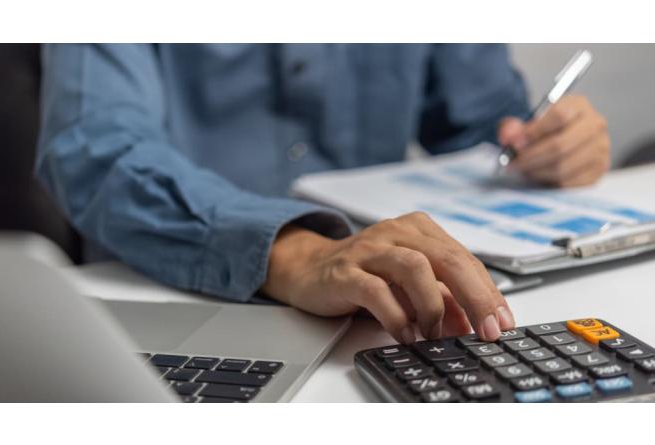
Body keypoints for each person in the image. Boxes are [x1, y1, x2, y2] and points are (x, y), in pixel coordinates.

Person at [36, 44, 610, 343]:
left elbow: (480, 123)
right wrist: (297, 252)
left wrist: (544, 142)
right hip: (172, 299)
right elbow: (93, 149)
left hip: (382, 307)